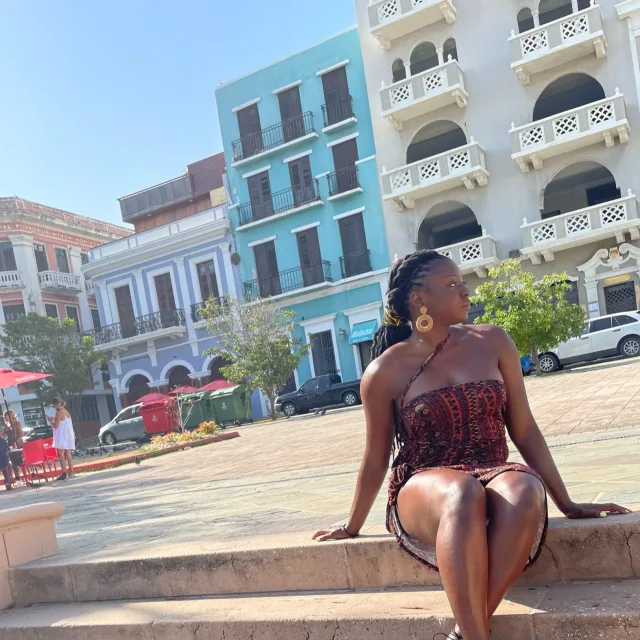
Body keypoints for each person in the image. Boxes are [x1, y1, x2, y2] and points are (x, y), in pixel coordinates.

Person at [313, 250, 630, 640]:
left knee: (525, 486)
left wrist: (567, 502)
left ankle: (465, 633)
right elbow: (376, 456)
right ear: (419, 300)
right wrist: (352, 524)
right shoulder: (385, 370)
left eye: (462, 282)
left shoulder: (493, 340)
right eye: (452, 285)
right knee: (462, 493)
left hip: (492, 468)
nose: (465, 291)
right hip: (423, 483)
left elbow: (524, 428)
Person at [47, 398, 75, 480]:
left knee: (61, 454)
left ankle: (64, 472)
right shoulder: (67, 412)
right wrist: (54, 420)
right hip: (68, 435)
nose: (54, 407)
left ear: (56, 405)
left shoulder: (59, 413)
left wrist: (50, 421)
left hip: (61, 436)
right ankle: (72, 471)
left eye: (54, 405)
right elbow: (63, 423)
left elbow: (56, 426)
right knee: (68, 454)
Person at [4, 410, 24, 483]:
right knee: (13, 461)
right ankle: (17, 476)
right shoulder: (7, 425)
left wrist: (16, 441)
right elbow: (4, 434)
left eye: (7, 416)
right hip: (10, 444)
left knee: (20, 460)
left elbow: (21, 433)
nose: (6, 418)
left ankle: (24, 475)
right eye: (5, 416)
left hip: (17, 444)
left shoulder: (16, 423)